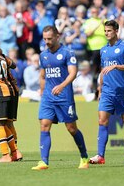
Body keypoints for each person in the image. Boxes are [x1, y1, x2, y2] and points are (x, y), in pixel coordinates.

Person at [32, 25, 89, 170]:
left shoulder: (67, 53)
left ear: (58, 36)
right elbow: (43, 75)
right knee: (44, 125)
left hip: (64, 97)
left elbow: (73, 73)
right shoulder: (43, 55)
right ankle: (44, 161)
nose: (47, 42)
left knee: (71, 128)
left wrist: (62, 86)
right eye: (45, 39)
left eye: (50, 39)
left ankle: (84, 157)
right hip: (48, 97)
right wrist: (43, 91)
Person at [90, 20, 124, 164]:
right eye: (105, 31)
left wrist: (116, 65)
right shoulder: (103, 50)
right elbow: (104, 71)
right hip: (107, 92)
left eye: (109, 30)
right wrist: (100, 88)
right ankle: (100, 156)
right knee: (102, 121)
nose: (106, 33)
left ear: (116, 31)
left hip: (122, 91)